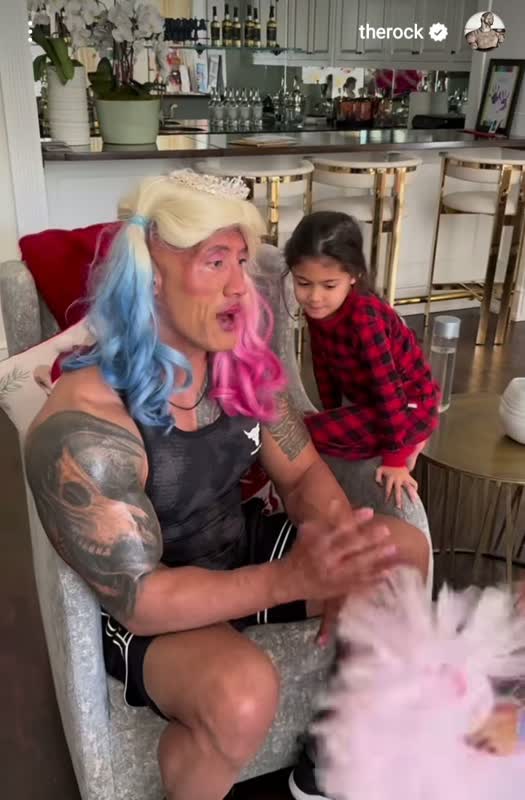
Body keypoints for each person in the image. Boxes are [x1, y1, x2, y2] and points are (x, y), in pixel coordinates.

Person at [24, 170, 431, 800]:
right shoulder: (85, 426)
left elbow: (302, 474)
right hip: (152, 597)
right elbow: (142, 599)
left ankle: (329, 761)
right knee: (240, 693)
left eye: (241, 261)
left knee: (396, 552)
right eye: (215, 261)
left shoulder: (241, 370)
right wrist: (296, 579)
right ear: (151, 277)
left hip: (234, 548)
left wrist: (337, 547)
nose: (241, 285)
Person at [285, 211, 440, 510]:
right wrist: (333, 413)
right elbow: (324, 366)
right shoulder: (321, 310)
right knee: (305, 430)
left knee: (302, 435)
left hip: (409, 405)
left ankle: (414, 437)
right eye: (303, 283)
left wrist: (395, 460)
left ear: (354, 276)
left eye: (329, 285)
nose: (314, 297)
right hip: (371, 405)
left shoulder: (365, 317)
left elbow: (388, 390)